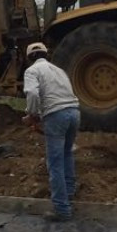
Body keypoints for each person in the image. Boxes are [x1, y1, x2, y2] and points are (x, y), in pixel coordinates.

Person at [22, 42, 80, 222]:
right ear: (46, 54)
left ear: (29, 57)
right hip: (74, 113)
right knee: (66, 155)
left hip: (56, 116)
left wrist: (33, 115)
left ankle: (62, 209)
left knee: (54, 163)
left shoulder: (32, 71)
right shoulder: (59, 70)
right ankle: (69, 193)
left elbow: (32, 93)